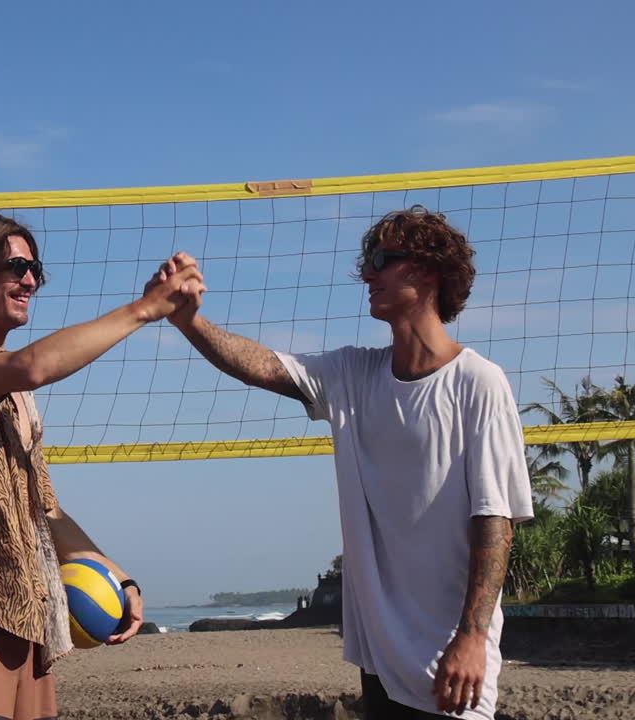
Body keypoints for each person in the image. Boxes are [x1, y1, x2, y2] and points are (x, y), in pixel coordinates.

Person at [157, 206, 532, 719]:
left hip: (451, 663)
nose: (368, 274)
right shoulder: (355, 373)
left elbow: (495, 522)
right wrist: (189, 321)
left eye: (381, 259)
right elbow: (264, 366)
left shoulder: (478, 382)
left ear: (425, 271)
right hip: (379, 662)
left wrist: (472, 638)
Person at [0, 212, 205, 720]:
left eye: (35, 270)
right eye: (16, 266)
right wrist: (143, 310)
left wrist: (119, 577)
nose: (30, 280)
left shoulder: (18, 394)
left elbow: (43, 508)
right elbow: (34, 365)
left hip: (32, 609)